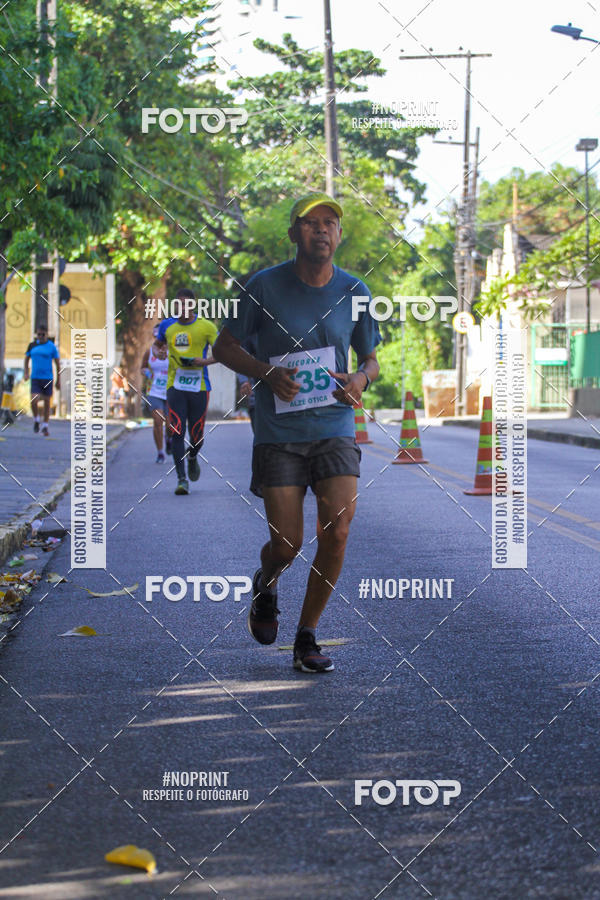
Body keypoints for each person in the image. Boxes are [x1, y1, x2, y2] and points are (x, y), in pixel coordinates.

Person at [213, 192, 380, 673]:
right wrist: (264, 372)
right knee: (286, 544)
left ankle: (307, 636)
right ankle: (265, 584)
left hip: (333, 427)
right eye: (311, 223)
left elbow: (370, 357)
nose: (322, 230)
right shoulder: (262, 288)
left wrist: (360, 380)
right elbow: (225, 347)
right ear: (294, 234)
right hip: (278, 433)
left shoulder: (356, 292)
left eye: (331, 223)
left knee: (339, 531)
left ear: (339, 235)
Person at [156, 288, 218, 495]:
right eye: (178, 304)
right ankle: (182, 479)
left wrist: (204, 361)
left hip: (200, 386)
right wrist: (161, 351)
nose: (181, 308)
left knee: (197, 434)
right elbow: (156, 347)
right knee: (176, 430)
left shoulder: (206, 327)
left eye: (185, 304)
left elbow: (223, 354)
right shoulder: (167, 325)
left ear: (193, 305)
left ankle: (192, 456)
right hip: (175, 386)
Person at [23, 324, 60, 436]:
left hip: (48, 378)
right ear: (37, 335)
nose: (41, 336)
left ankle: (45, 426)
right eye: (39, 334)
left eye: (43, 334)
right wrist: (26, 372)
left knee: (47, 402)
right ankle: (36, 420)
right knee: (34, 400)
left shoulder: (51, 346)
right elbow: (26, 359)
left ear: (46, 335)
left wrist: (58, 380)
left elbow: (58, 364)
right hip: (35, 377)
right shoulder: (32, 345)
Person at [141, 327, 171, 462]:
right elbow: (143, 367)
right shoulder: (149, 352)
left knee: (171, 425)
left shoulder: (174, 352)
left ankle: (169, 438)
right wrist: (146, 372)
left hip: (171, 391)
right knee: (158, 421)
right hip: (154, 391)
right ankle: (160, 452)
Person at [236, 334, 257, 433]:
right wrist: (244, 380)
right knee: (263, 441)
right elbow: (239, 356)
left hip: (294, 397)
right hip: (259, 397)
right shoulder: (255, 325)